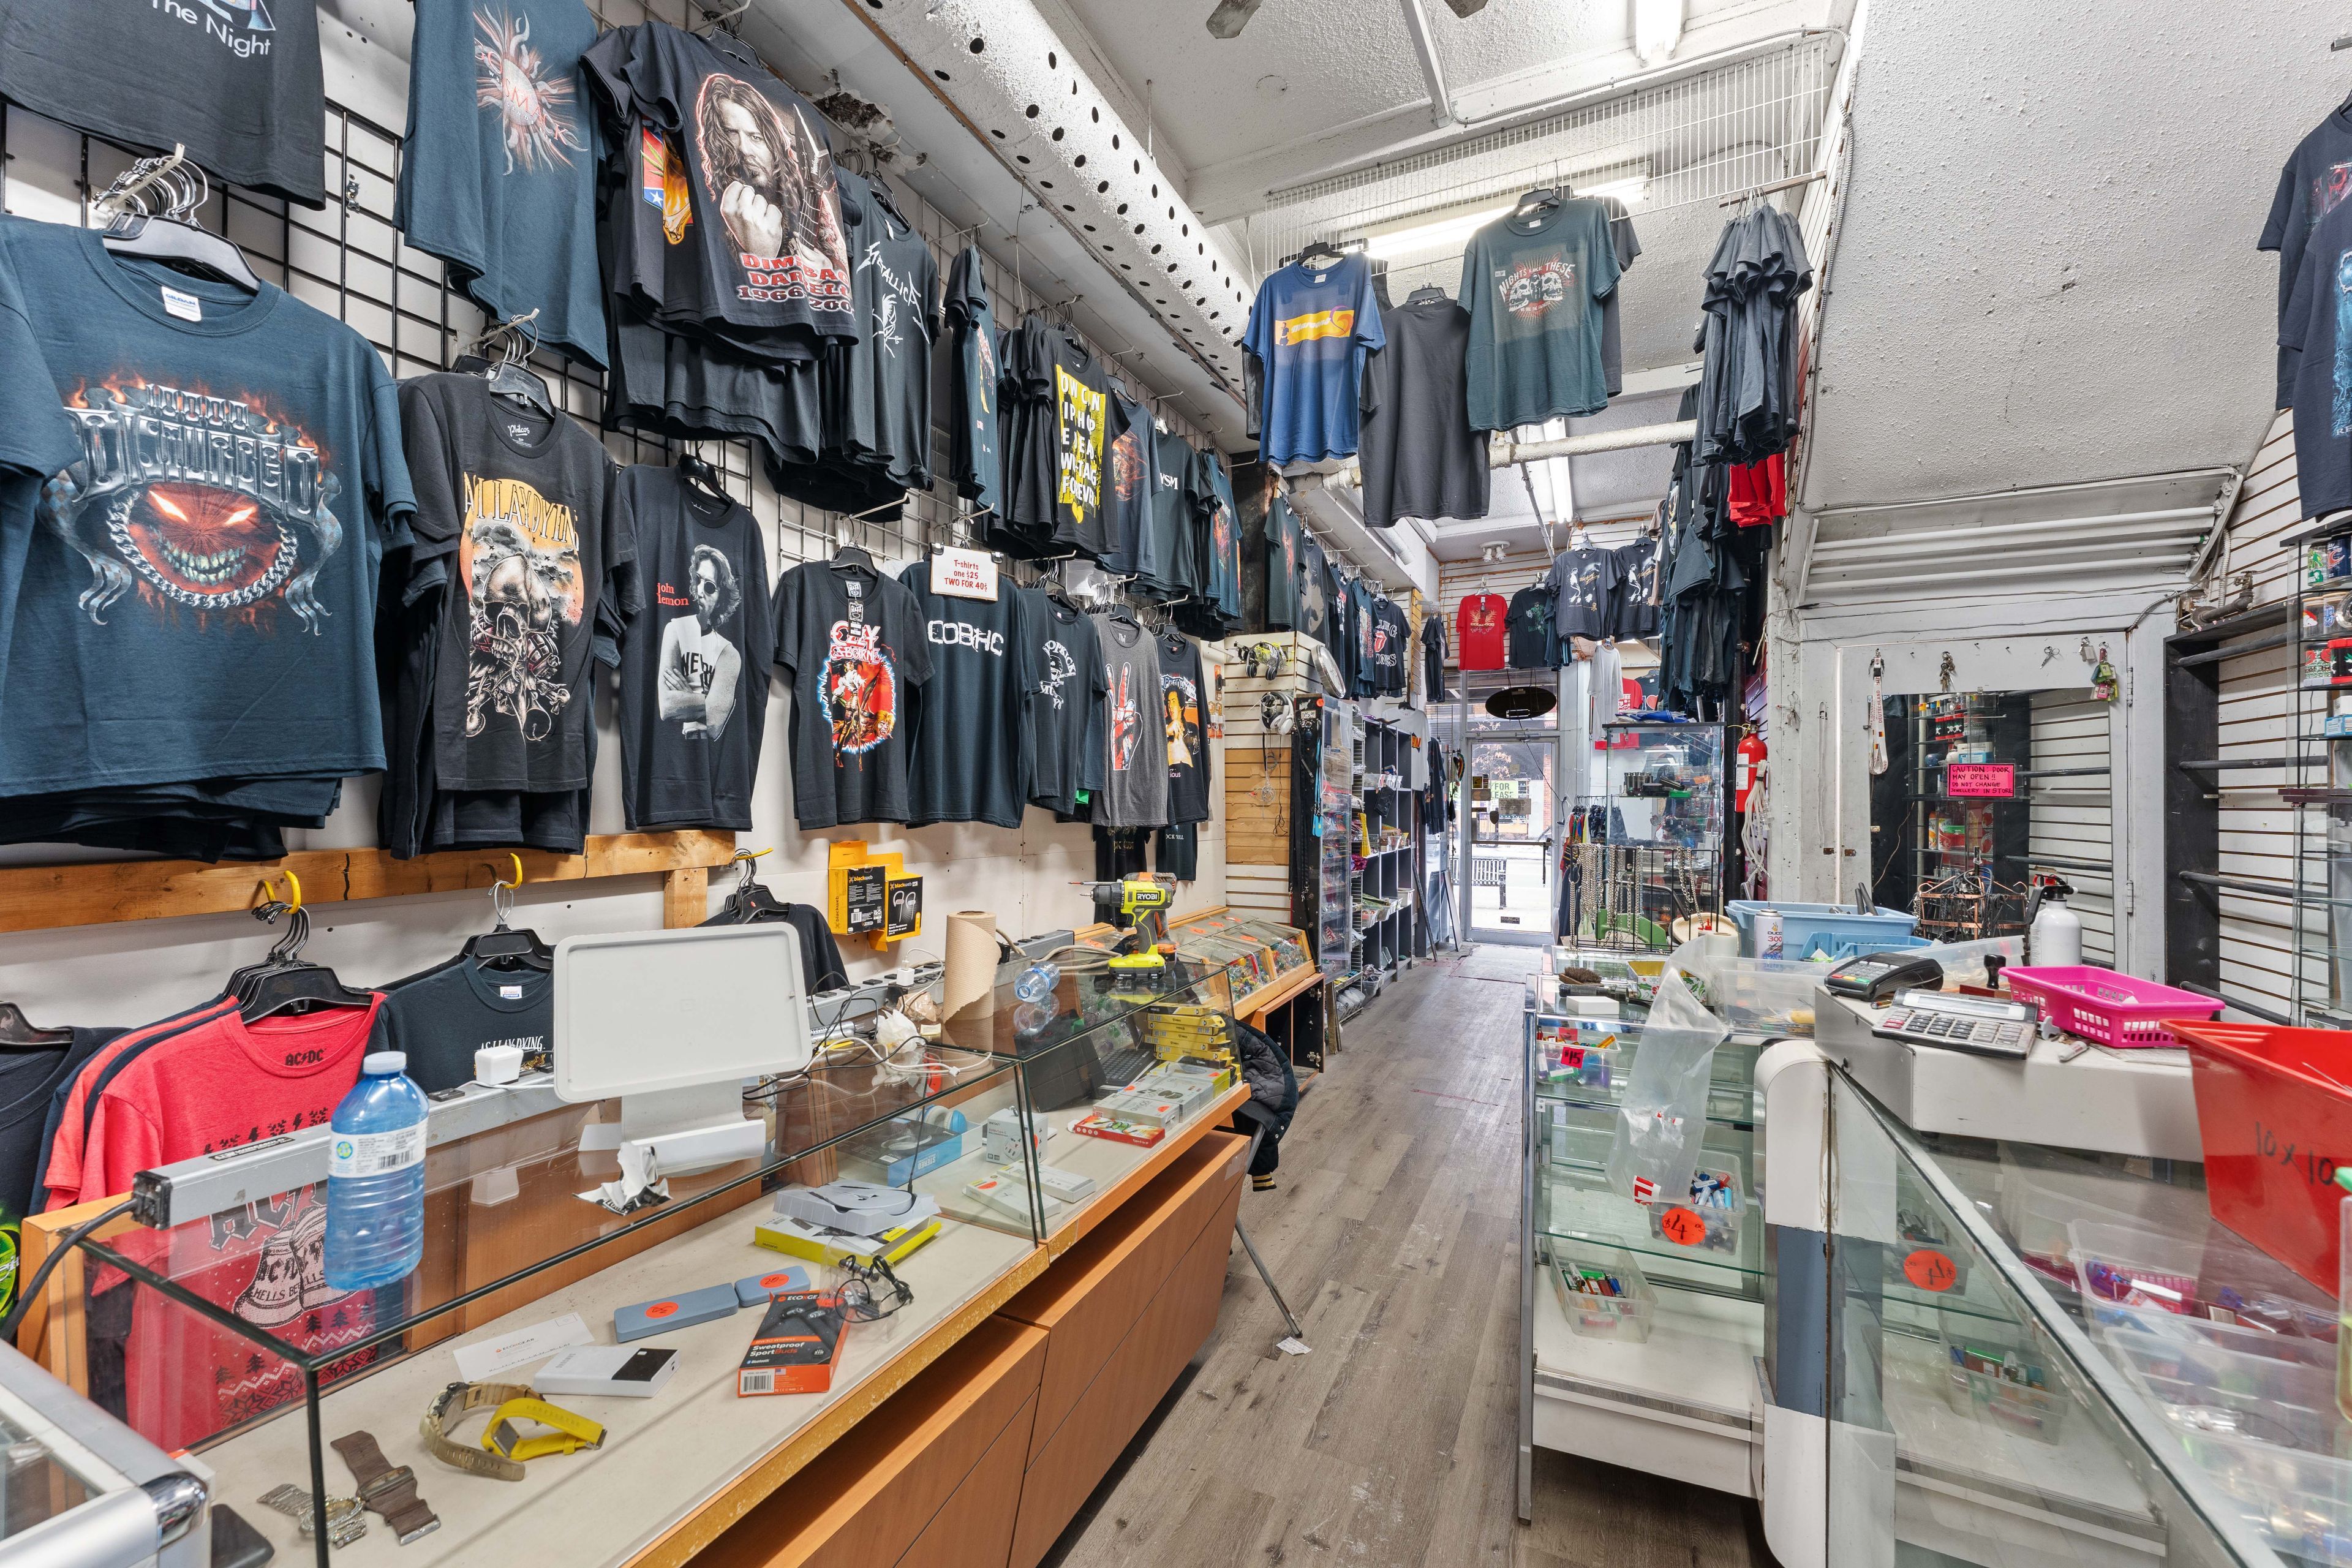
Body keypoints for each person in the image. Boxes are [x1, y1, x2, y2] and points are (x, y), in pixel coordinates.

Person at [657, 544, 744, 741]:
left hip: (710, 746)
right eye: (697, 580)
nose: (700, 590)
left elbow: (715, 725)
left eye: (710, 586)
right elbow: (667, 707)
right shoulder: (675, 630)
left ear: (720, 599)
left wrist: (686, 694)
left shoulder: (728, 652)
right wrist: (710, 701)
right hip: (672, 745)